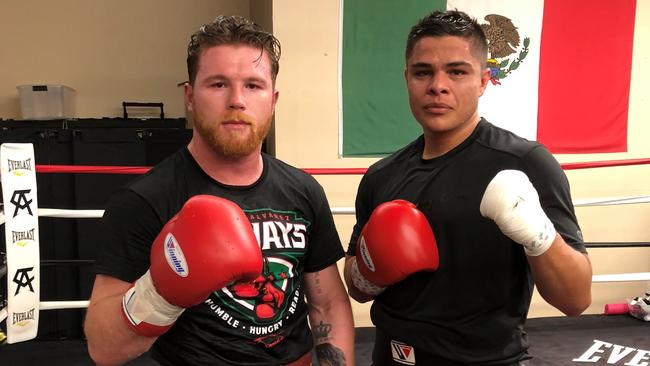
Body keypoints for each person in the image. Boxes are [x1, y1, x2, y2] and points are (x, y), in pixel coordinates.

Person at [84, 15, 354, 366]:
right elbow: (103, 349)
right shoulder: (145, 200)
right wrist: (160, 292)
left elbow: (328, 303)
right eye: (218, 84)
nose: (237, 101)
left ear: (272, 100)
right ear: (190, 96)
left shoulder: (303, 190)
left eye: (253, 86)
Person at [343, 9, 592, 365]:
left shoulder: (525, 162)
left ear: (483, 81)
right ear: (407, 79)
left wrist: (539, 235)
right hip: (392, 356)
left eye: (457, 71)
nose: (437, 85)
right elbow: (356, 287)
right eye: (422, 72)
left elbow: (576, 298)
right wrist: (370, 270)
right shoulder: (381, 176)